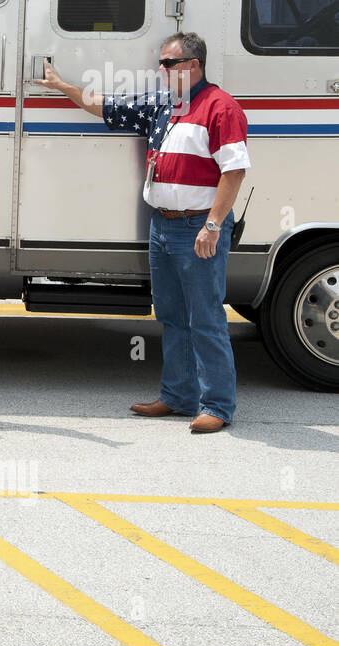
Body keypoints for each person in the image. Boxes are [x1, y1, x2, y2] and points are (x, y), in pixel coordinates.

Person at [35, 33, 249, 433]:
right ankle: (178, 397)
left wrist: (213, 225)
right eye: (161, 63)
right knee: (171, 315)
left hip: (197, 227)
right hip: (163, 225)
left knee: (205, 318)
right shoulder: (164, 105)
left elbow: (234, 171)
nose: (160, 70)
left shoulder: (221, 107)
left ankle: (218, 406)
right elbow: (103, 105)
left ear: (193, 65)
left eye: (168, 64)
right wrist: (62, 86)